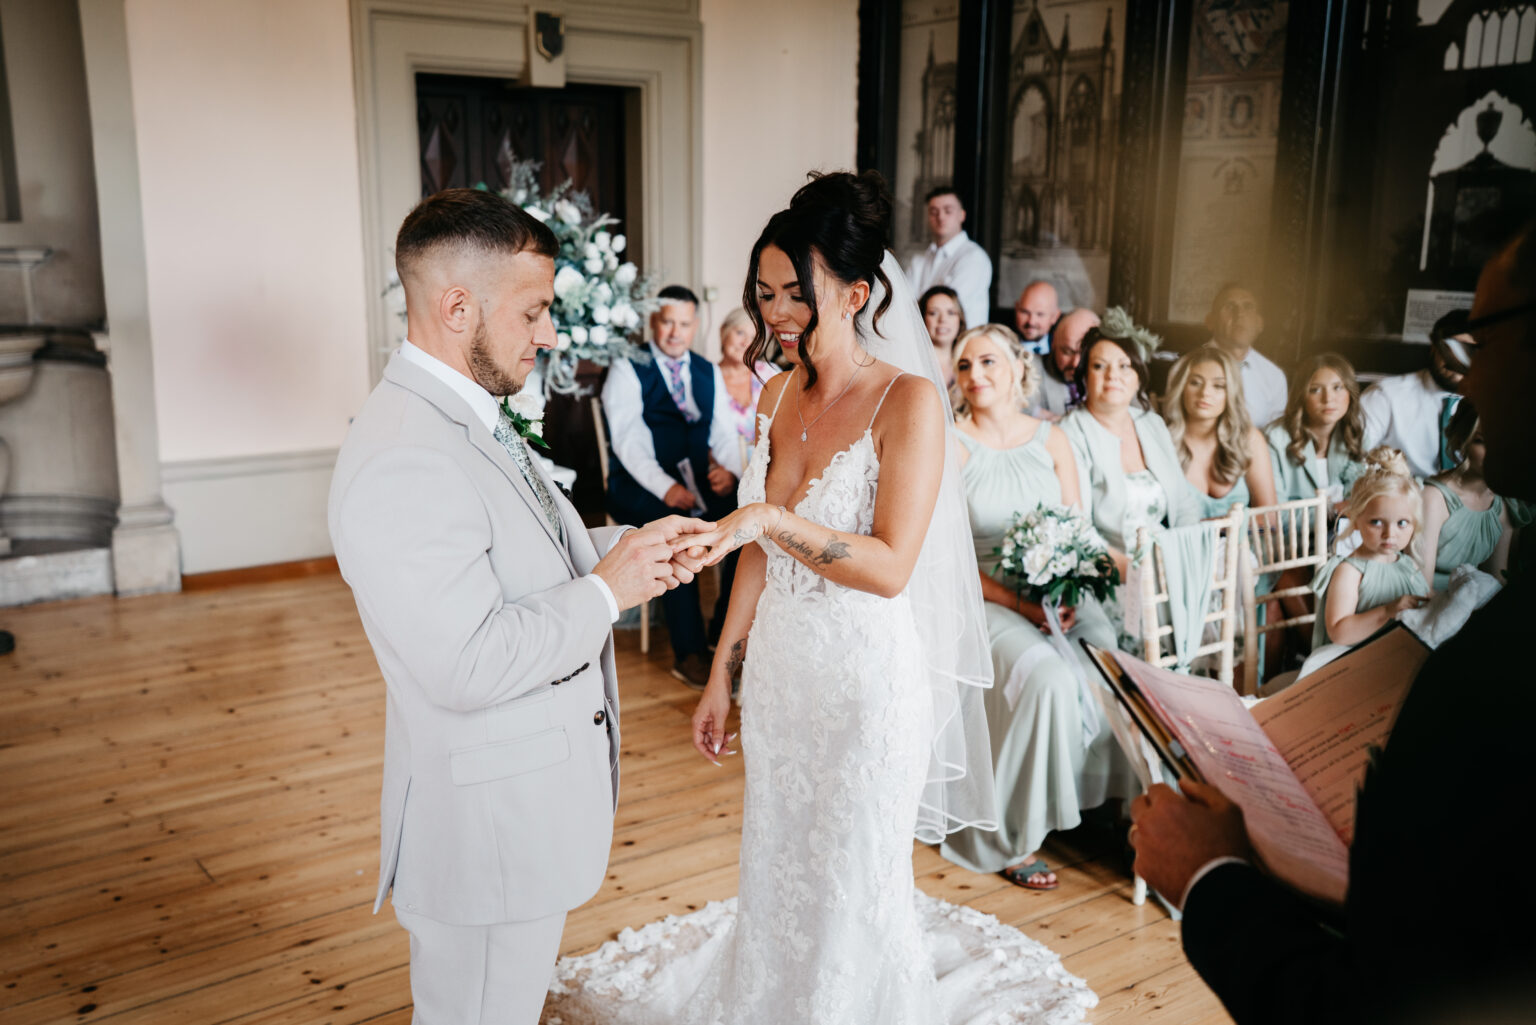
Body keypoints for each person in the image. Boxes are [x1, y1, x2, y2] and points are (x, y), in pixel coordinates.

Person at [541, 172, 1098, 1025]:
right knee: (779, 862)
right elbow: (757, 559)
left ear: (856, 292)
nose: (777, 313)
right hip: (784, 678)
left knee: (853, 874)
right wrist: (725, 669)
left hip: (868, 682)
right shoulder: (773, 393)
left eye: (796, 292)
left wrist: (766, 513)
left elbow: (888, 565)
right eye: (764, 294)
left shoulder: (907, 401)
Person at [1128, 223, 1536, 1024]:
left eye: (1481, 341)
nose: (1470, 392)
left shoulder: (1504, 667)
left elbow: (1400, 994)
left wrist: (1217, 876)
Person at [327, 188, 707, 1025]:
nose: (549, 334)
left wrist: (629, 549)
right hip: (486, 832)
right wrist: (611, 592)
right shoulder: (405, 457)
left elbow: (517, 561)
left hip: (516, 807)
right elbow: (468, 661)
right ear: (456, 305)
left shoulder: (468, 414)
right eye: (534, 310)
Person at [937, 324, 1138, 892]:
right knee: (1048, 677)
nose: (976, 375)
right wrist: (1022, 607)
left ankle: (1104, 807)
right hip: (986, 600)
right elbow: (946, 559)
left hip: (1062, 593)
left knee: (1111, 664)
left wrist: (1125, 568)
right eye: (965, 365)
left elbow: (1081, 532)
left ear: (1017, 369)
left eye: (988, 362)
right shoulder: (951, 445)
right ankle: (1010, 833)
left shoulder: (1052, 440)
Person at [601, 285, 745, 688]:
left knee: (744, 521)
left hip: (696, 483)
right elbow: (629, 442)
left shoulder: (706, 370)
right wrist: (666, 489)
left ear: (695, 325)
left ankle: (722, 631)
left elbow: (721, 434)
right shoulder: (629, 366)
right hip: (640, 486)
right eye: (667, 322)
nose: (675, 332)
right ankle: (689, 653)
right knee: (675, 530)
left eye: (684, 324)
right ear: (654, 321)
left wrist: (731, 474)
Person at [1060, 310, 1202, 649]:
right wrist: (1139, 574)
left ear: (1138, 376)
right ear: (1084, 376)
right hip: (1109, 575)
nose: (1113, 376)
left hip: (1169, 567)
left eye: (1125, 366)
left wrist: (1184, 559)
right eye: (1099, 366)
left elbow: (1183, 504)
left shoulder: (1150, 424)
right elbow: (1078, 529)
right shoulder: (1070, 434)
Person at [1310, 448, 1430, 649]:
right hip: (1353, 662)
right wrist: (1386, 612)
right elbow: (1338, 631)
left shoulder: (1409, 566)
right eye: (1376, 522)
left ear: (1414, 524)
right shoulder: (1349, 571)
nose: (1389, 534)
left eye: (1402, 523)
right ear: (1356, 520)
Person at [1163, 345, 1278, 518]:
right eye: (1195, 383)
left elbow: (1270, 522)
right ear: (1182, 388)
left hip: (1242, 544)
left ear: (1231, 392)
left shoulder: (1249, 439)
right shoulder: (1162, 439)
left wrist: (1236, 535)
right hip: (1179, 545)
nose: (1205, 393)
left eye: (1218, 386)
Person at [1360, 308, 1474, 478]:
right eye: (1449, 349)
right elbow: (1352, 458)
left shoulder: (1491, 403)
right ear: (1434, 348)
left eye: (1466, 351)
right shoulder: (1386, 395)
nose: (1456, 359)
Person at [1418, 401, 1516, 591]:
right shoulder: (1433, 498)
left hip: (1473, 608)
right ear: (1461, 441)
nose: (1495, 453)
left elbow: (1497, 581)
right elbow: (1420, 588)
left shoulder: (1501, 504)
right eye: (1481, 441)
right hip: (1426, 608)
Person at [1266, 353, 1367, 507]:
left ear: (1350, 392)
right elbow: (1276, 515)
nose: (1328, 398)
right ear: (1301, 395)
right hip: (1292, 532)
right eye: (1315, 390)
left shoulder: (1356, 434)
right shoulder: (1274, 438)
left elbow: (1362, 503)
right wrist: (1336, 510)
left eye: (1337, 387)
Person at [905, 184, 993, 329]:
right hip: (923, 342)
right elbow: (904, 304)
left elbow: (947, 307)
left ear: (962, 215)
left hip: (961, 346)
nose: (940, 217)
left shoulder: (974, 258)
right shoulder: (918, 260)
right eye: (934, 212)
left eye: (948, 211)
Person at [1205, 283, 1287, 428]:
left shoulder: (1274, 376)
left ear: (1260, 324)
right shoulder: (1188, 367)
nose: (1239, 314)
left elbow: (1275, 436)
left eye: (1248, 307)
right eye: (1229, 307)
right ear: (1210, 321)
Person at [716, 306, 781, 447]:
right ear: (723, 331)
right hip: (722, 466)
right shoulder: (707, 378)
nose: (746, 343)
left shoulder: (771, 373)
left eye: (754, 338)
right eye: (740, 333)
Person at [1032, 306, 1095, 419]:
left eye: (1084, 354)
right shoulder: (1030, 369)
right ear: (1053, 341)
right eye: (1067, 352)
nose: (1075, 363)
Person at [919, 284, 965, 389]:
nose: (943, 319)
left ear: (960, 319)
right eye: (933, 313)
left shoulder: (969, 362)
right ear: (922, 318)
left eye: (951, 313)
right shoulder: (912, 362)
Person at [1014, 280, 1060, 357]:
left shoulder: (1060, 348)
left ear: (1055, 316)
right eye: (1025, 312)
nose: (1031, 321)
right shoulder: (1001, 344)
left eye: (1040, 314)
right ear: (1016, 309)